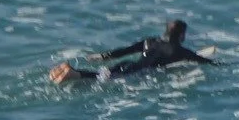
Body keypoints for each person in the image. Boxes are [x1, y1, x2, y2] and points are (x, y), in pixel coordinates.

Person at [49, 20, 211, 84]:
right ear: (181, 35)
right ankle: (73, 73)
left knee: (102, 73)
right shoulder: (180, 51)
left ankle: (70, 71)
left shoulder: (150, 41)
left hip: (128, 63)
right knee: (103, 78)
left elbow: (124, 51)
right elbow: (205, 61)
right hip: (139, 72)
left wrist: (101, 56)